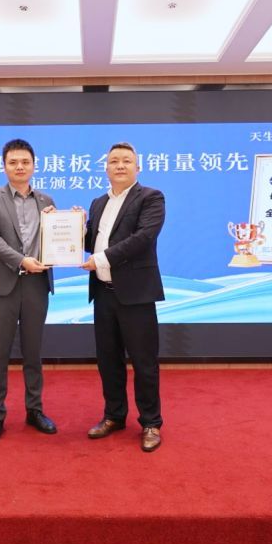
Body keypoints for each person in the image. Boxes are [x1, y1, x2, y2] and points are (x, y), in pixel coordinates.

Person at [82, 142, 165, 452]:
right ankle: (114, 416)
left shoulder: (151, 197)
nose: (120, 165)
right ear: (106, 168)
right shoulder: (98, 203)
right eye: (114, 161)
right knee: (108, 360)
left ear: (137, 167)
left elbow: (143, 238)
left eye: (126, 161)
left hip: (137, 294)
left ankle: (151, 422)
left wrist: (102, 259)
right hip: (103, 293)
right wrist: (69, 225)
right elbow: (91, 242)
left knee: (144, 362)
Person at [0, 138, 57, 443]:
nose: (20, 167)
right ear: (4, 166)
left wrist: (75, 224)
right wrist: (21, 260)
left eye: (25, 162)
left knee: (33, 353)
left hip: (37, 284)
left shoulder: (46, 200)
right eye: (13, 162)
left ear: (34, 165)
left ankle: (34, 410)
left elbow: (55, 240)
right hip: (3, 285)